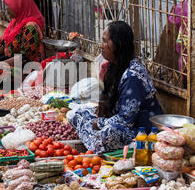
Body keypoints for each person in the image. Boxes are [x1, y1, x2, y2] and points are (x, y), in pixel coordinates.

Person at [69, 20, 163, 155]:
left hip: (143, 132)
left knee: (109, 132)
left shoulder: (133, 76)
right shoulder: (117, 65)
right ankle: (92, 138)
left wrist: (99, 123)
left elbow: (126, 119)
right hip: (124, 124)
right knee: (79, 113)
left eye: (105, 41)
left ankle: (94, 141)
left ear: (118, 45)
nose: (102, 46)